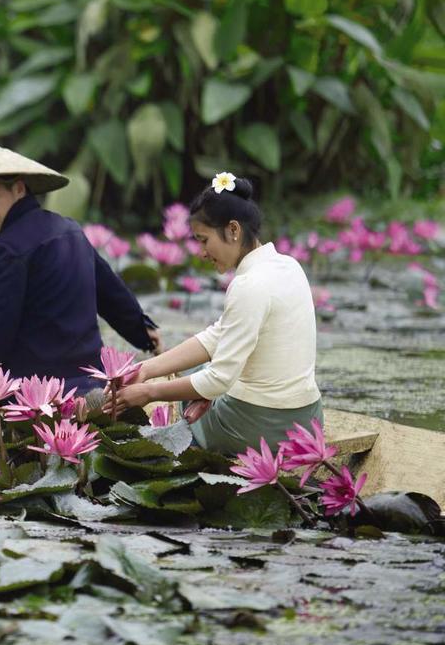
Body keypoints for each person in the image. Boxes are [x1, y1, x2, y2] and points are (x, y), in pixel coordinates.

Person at [106, 172, 323, 454]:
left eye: (204, 240)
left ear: (233, 230)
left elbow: (219, 379)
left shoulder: (248, 285)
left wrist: (149, 392)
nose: (202, 252)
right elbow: (217, 336)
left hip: (264, 427)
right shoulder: (288, 265)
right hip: (307, 419)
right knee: (196, 373)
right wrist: (145, 370)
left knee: (196, 390)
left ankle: (195, 453)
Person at [0, 144, 160, 394]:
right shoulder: (70, 229)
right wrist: (144, 333)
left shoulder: (7, 247)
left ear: (18, 189)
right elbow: (111, 294)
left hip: (35, 392)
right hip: (91, 382)